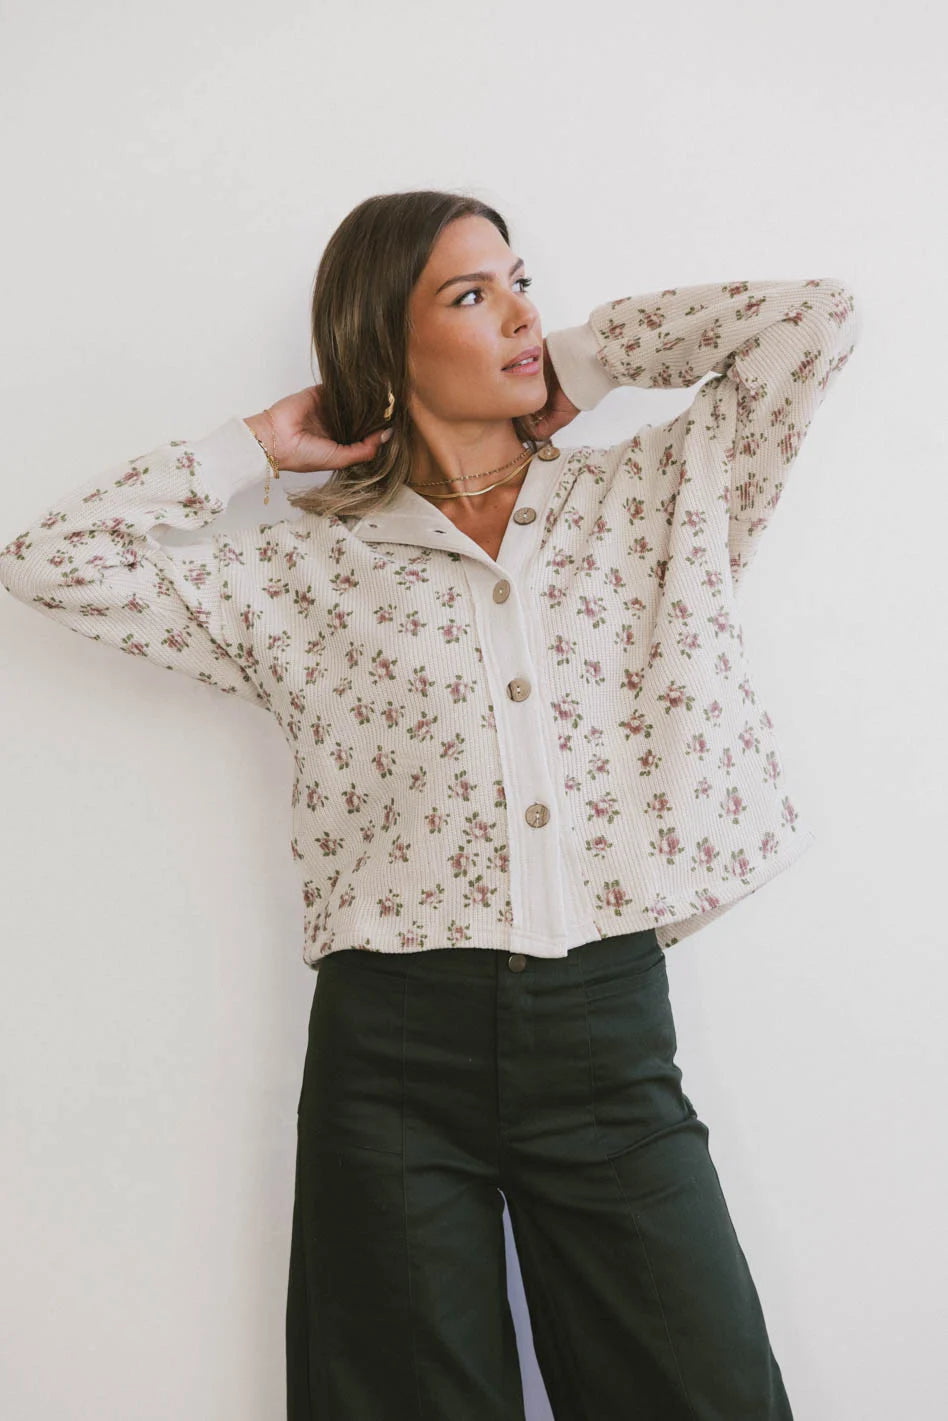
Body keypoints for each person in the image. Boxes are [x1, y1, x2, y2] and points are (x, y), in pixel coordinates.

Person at [0, 189, 859, 1419]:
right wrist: (258, 446)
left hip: (607, 1035)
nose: (520, 313)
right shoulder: (305, 564)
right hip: (392, 1057)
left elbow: (815, 320)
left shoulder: (654, 496)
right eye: (471, 294)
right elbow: (49, 559)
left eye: (520, 282)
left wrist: (585, 362)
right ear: (383, 343)